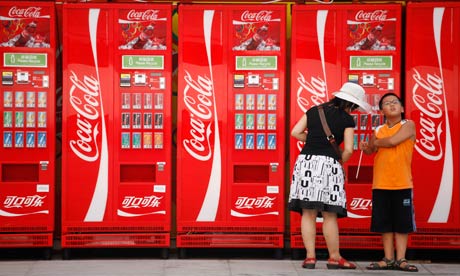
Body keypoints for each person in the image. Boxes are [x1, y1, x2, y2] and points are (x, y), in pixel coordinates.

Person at [288, 82, 371, 269]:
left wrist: (312, 141)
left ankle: (310, 257)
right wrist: (339, 159)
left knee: (308, 213)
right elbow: (348, 149)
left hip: (306, 162)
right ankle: (334, 257)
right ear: (352, 104)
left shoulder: (314, 110)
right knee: (329, 214)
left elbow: (295, 132)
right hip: (329, 165)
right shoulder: (347, 119)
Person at [359, 93, 418, 272]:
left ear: (401, 108)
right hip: (381, 183)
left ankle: (401, 259)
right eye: (386, 103)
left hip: (402, 183)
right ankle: (388, 258)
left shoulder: (408, 125)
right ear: (382, 111)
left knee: (402, 224)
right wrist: (366, 146)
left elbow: (392, 142)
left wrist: (376, 143)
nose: (391, 105)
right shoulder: (377, 130)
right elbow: (370, 150)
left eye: (395, 102)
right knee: (384, 224)